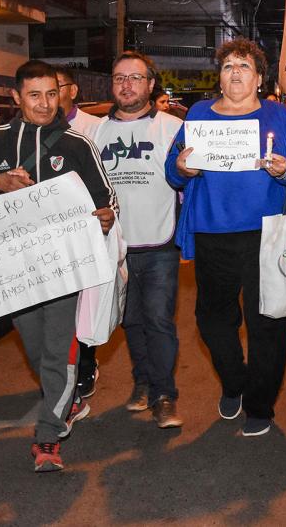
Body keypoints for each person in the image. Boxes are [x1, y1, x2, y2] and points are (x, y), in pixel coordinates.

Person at [0, 60, 118, 471]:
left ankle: (48, 437)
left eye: (52, 93)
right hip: (14, 273)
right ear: (16, 97)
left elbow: (107, 200)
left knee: (59, 352)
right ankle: (62, 397)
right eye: (34, 95)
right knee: (36, 349)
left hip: (65, 269)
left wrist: (106, 216)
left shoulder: (77, 145)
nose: (45, 103)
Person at [165, 38, 286, 437]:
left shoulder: (277, 116)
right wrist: (182, 167)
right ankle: (235, 381)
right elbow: (171, 168)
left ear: (259, 77)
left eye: (244, 66)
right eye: (229, 66)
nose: (235, 72)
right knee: (213, 321)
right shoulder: (198, 113)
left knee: (267, 321)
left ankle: (259, 404)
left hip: (267, 234)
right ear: (219, 76)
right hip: (212, 232)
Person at [91, 51, 185, 428]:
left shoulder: (173, 127)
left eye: (135, 77)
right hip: (114, 246)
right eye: (119, 78)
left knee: (159, 320)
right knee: (130, 322)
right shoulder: (95, 132)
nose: (126, 84)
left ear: (150, 84)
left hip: (160, 242)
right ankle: (142, 383)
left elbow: (187, 180)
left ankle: (165, 395)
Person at [55, 65, 102, 400]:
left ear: (72, 90)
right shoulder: (25, 135)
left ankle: (85, 368)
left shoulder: (94, 128)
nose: (48, 96)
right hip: (47, 241)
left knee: (84, 308)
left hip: (86, 234)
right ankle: (59, 377)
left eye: (55, 87)